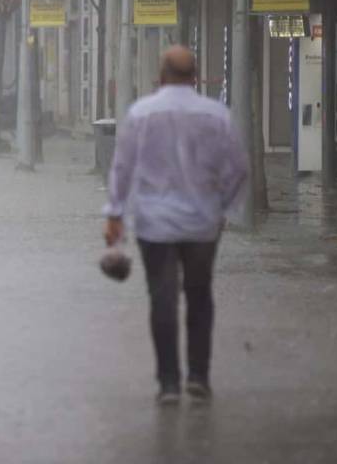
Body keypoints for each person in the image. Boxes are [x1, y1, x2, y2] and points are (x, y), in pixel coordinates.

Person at [104, 45, 248, 406]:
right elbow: (238, 169)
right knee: (200, 296)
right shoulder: (217, 115)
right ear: (195, 76)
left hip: (154, 224)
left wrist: (115, 214)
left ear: (161, 75)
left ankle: (168, 383)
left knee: (162, 299)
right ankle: (198, 377)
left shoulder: (141, 114)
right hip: (203, 223)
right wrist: (224, 208)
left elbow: (122, 168)